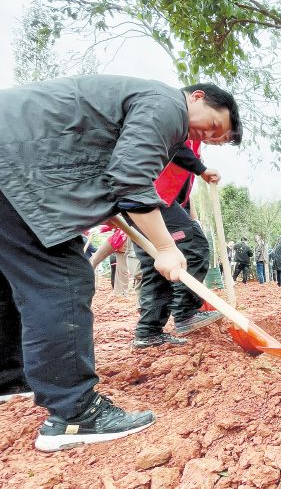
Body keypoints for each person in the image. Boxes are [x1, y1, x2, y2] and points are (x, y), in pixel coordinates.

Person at [0, 75, 241, 450]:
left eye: (215, 138)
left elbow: (105, 163)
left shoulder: (144, 104)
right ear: (197, 97)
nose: (208, 135)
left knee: (17, 276)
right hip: (16, 165)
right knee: (60, 278)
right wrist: (164, 247)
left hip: (13, 161)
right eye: (213, 125)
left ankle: (9, 379)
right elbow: (130, 179)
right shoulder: (167, 104)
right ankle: (75, 416)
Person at [132, 141, 223, 348]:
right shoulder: (178, 118)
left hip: (151, 200)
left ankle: (148, 331)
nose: (217, 137)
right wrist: (202, 169)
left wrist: (189, 213)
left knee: (156, 265)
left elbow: (181, 180)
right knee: (194, 247)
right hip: (152, 197)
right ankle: (186, 313)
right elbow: (171, 144)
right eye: (219, 128)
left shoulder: (195, 135)